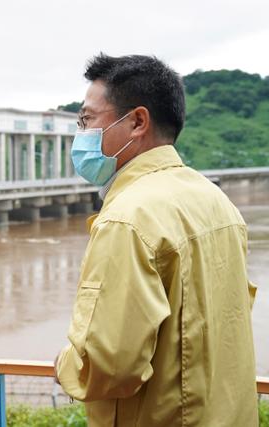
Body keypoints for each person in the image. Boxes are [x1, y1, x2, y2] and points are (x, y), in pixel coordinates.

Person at [55, 53, 258, 426]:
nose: (80, 134)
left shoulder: (128, 219)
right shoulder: (217, 202)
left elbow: (109, 364)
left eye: (86, 120)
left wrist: (65, 365)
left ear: (137, 121)